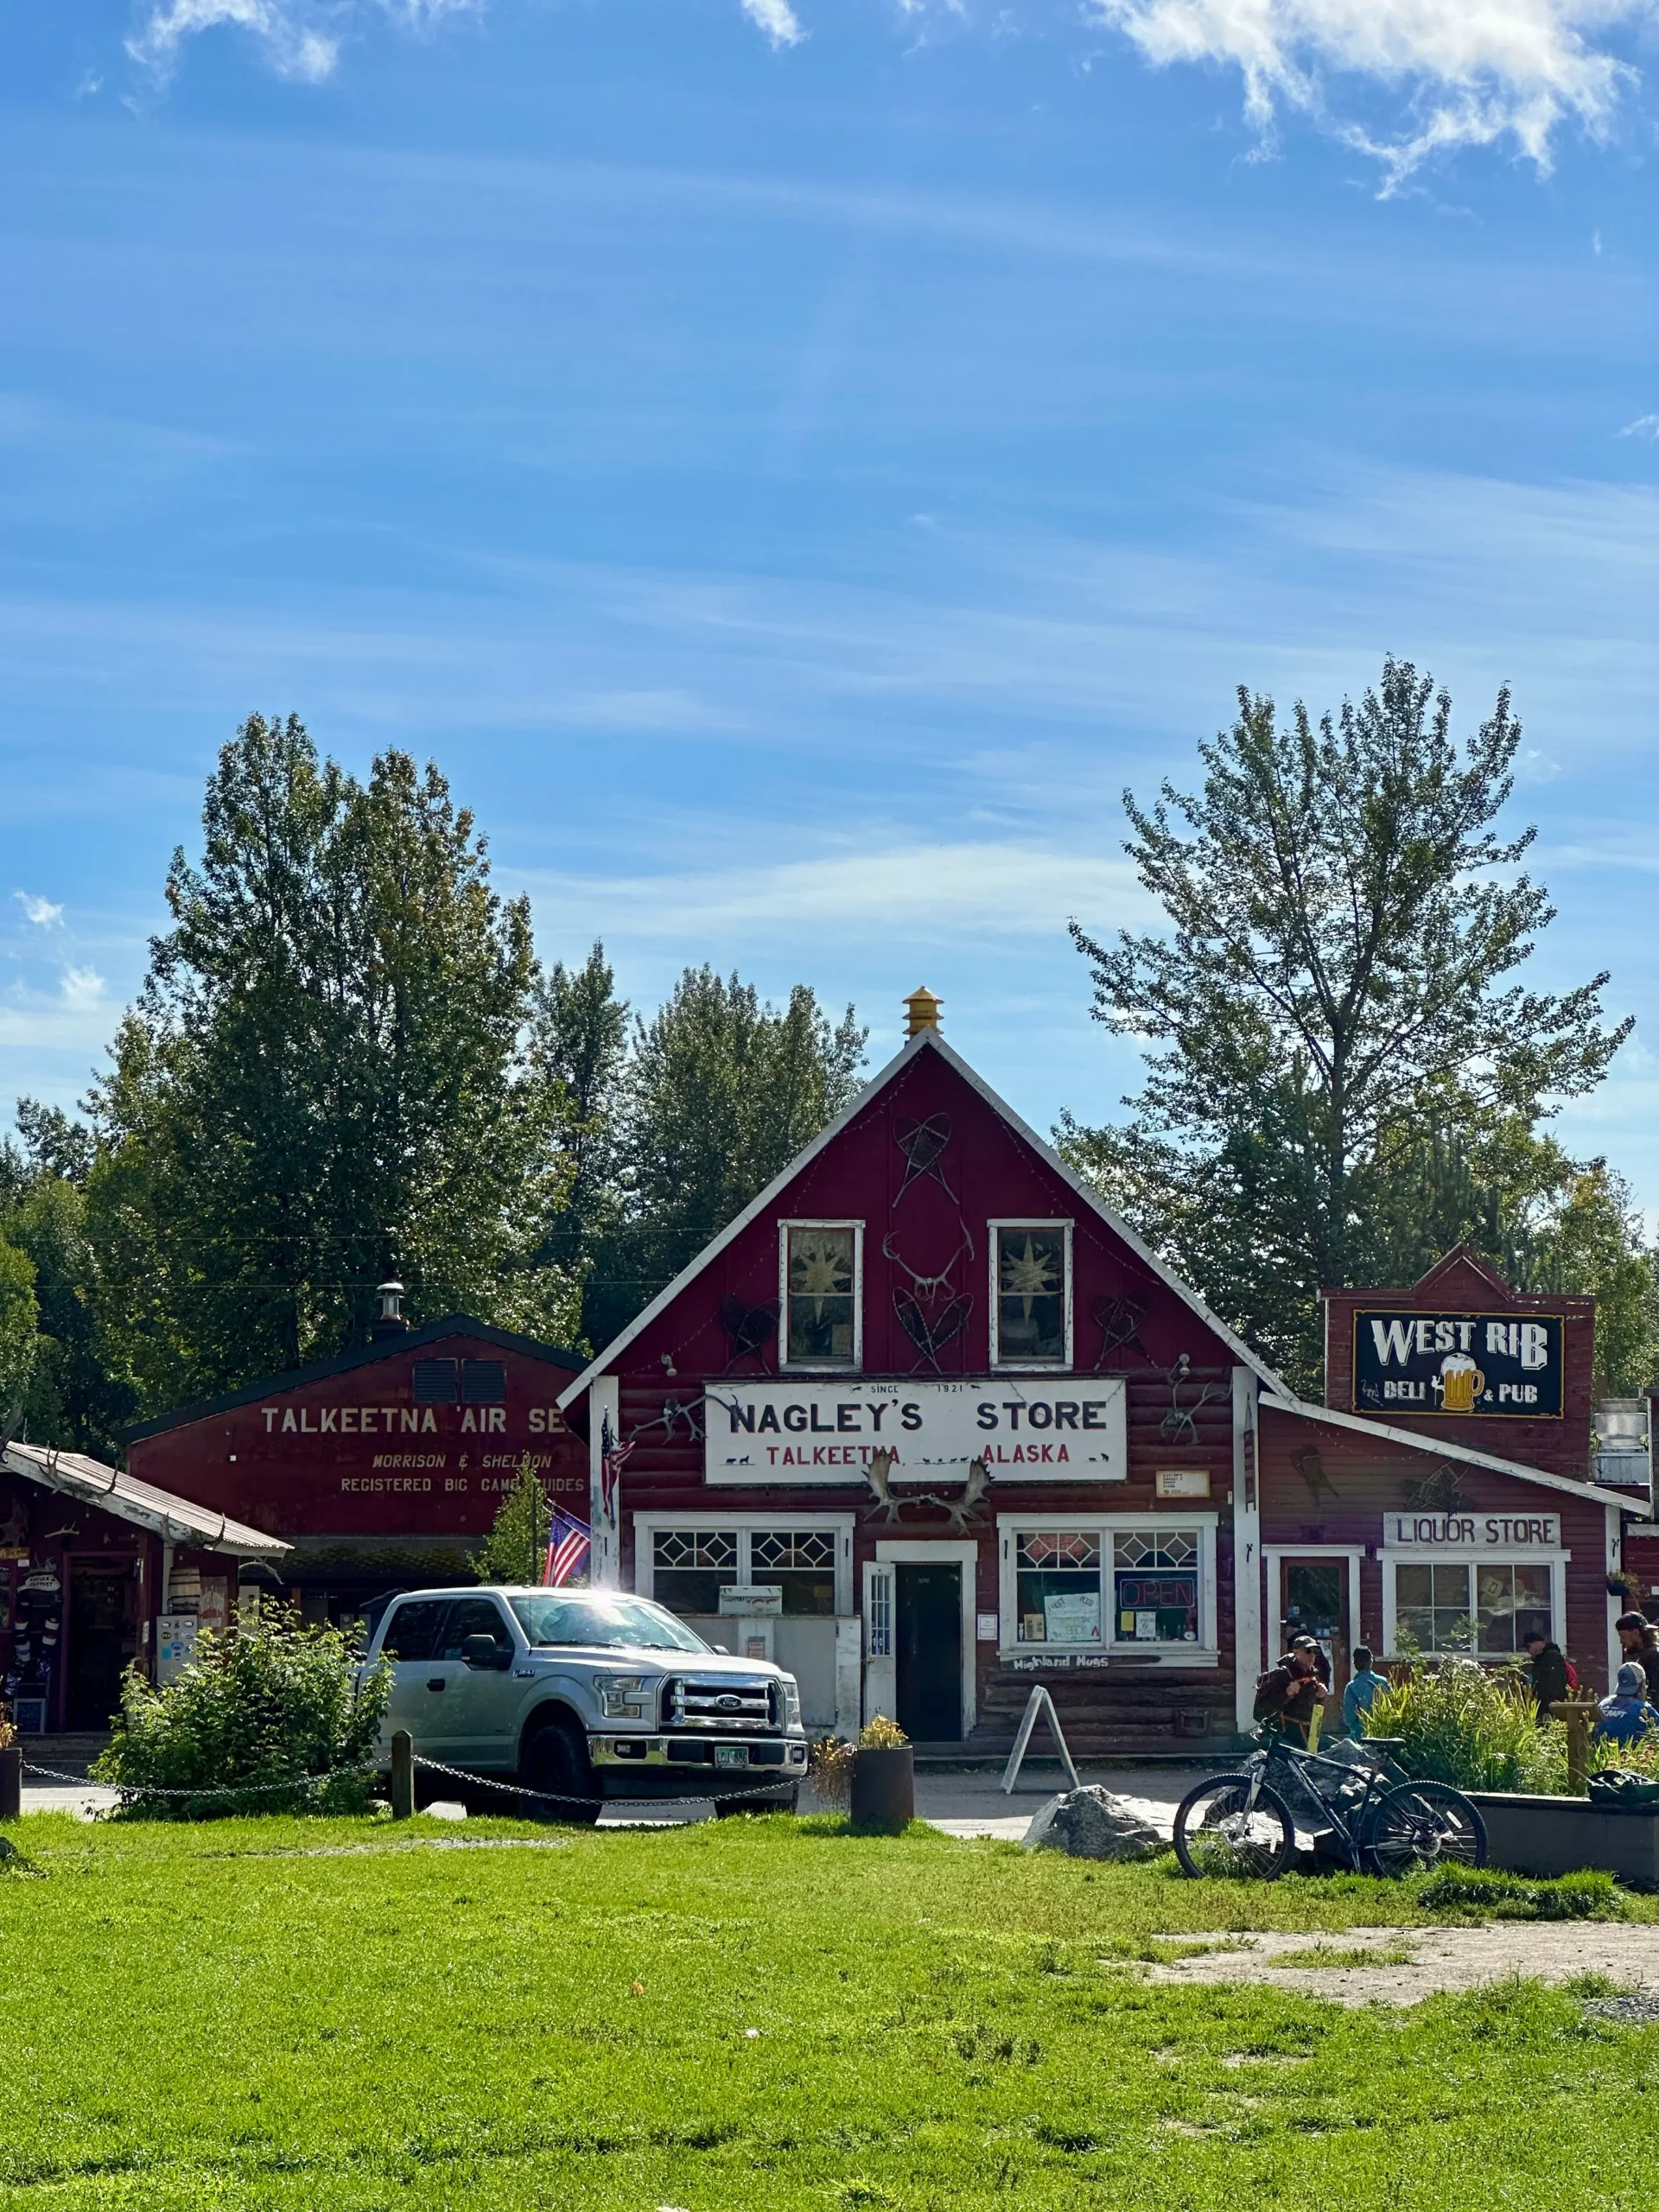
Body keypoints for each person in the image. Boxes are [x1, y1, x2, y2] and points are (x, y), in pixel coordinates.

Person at [1254, 1637, 1329, 1744]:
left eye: (1315, 1651)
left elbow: (1311, 1709)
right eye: (1308, 1651)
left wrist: (1320, 1698)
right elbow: (1261, 1712)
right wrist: (1286, 1693)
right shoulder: (1282, 1675)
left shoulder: (1313, 1676)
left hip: (1308, 1737)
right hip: (1284, 1738)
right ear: (1296, 1653)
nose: (1312, 1655)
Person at [1594, 1663, 1659, 1747]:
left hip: (1599, 1757)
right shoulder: (1645, 1709)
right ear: (1641, 1685)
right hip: (1631, 1757)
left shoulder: (1603, 1704)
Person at [1523, 1630, 1573, 1722]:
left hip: (1552, 1707)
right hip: (1541, 1707)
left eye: (1528, 1646)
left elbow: (1553, 1685)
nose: (1528, 1650)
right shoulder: (1538, 1661)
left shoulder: (1552, 1657)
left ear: (1539, 1643)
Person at [1341, 1646, 1389, 1738]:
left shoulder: (1352, 1687)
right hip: (1383, 1736)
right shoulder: (1383, 1682)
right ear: (1371, 1661)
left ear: (1355, 1664)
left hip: (1359, 1737)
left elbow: (1349, 1718)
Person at [1614, 1612, 1659, 1705]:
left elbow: (1653, 1694)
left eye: (1623, 1636)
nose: (1621, 1641)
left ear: (1636, 1632)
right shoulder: (1646, 1655)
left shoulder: (1652, 1657)